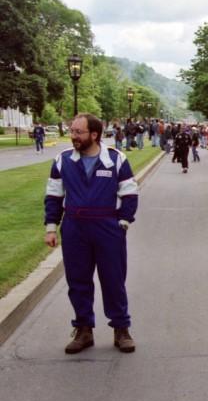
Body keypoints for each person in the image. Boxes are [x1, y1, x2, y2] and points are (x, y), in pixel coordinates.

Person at [44, 113, 138, 354]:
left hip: (107, 227)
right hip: (75, 227)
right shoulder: (63, 160)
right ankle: (84, 329)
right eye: (72, 131)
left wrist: (124, 222)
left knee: (113, 280)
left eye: (78, 132)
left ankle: (121, 329)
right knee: (78, 281)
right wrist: (51, 228)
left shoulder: (115, 159)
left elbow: (129, 192)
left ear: (94, 135)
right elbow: (54, 196)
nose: (73, 136)